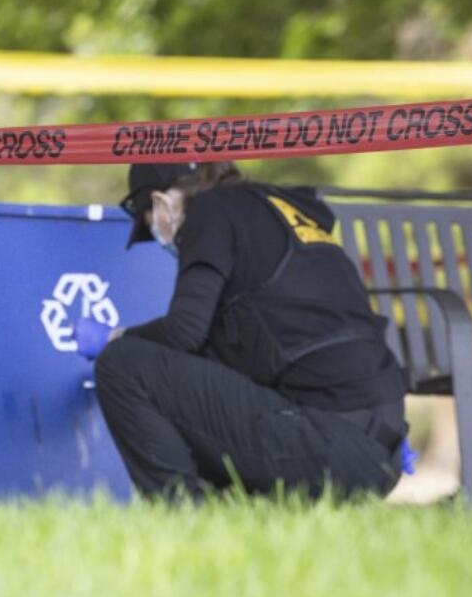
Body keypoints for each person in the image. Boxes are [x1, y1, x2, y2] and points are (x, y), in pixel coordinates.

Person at [73, 162, 412, 501]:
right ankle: (228, 513)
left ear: (161, 204)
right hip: (383, 447)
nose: (160, 235)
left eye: (149, 223)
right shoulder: (279, 213)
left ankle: (180, 518)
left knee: (122, 365)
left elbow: (183, 332)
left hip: (328, 445)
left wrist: (114, 338)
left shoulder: (210, 209)